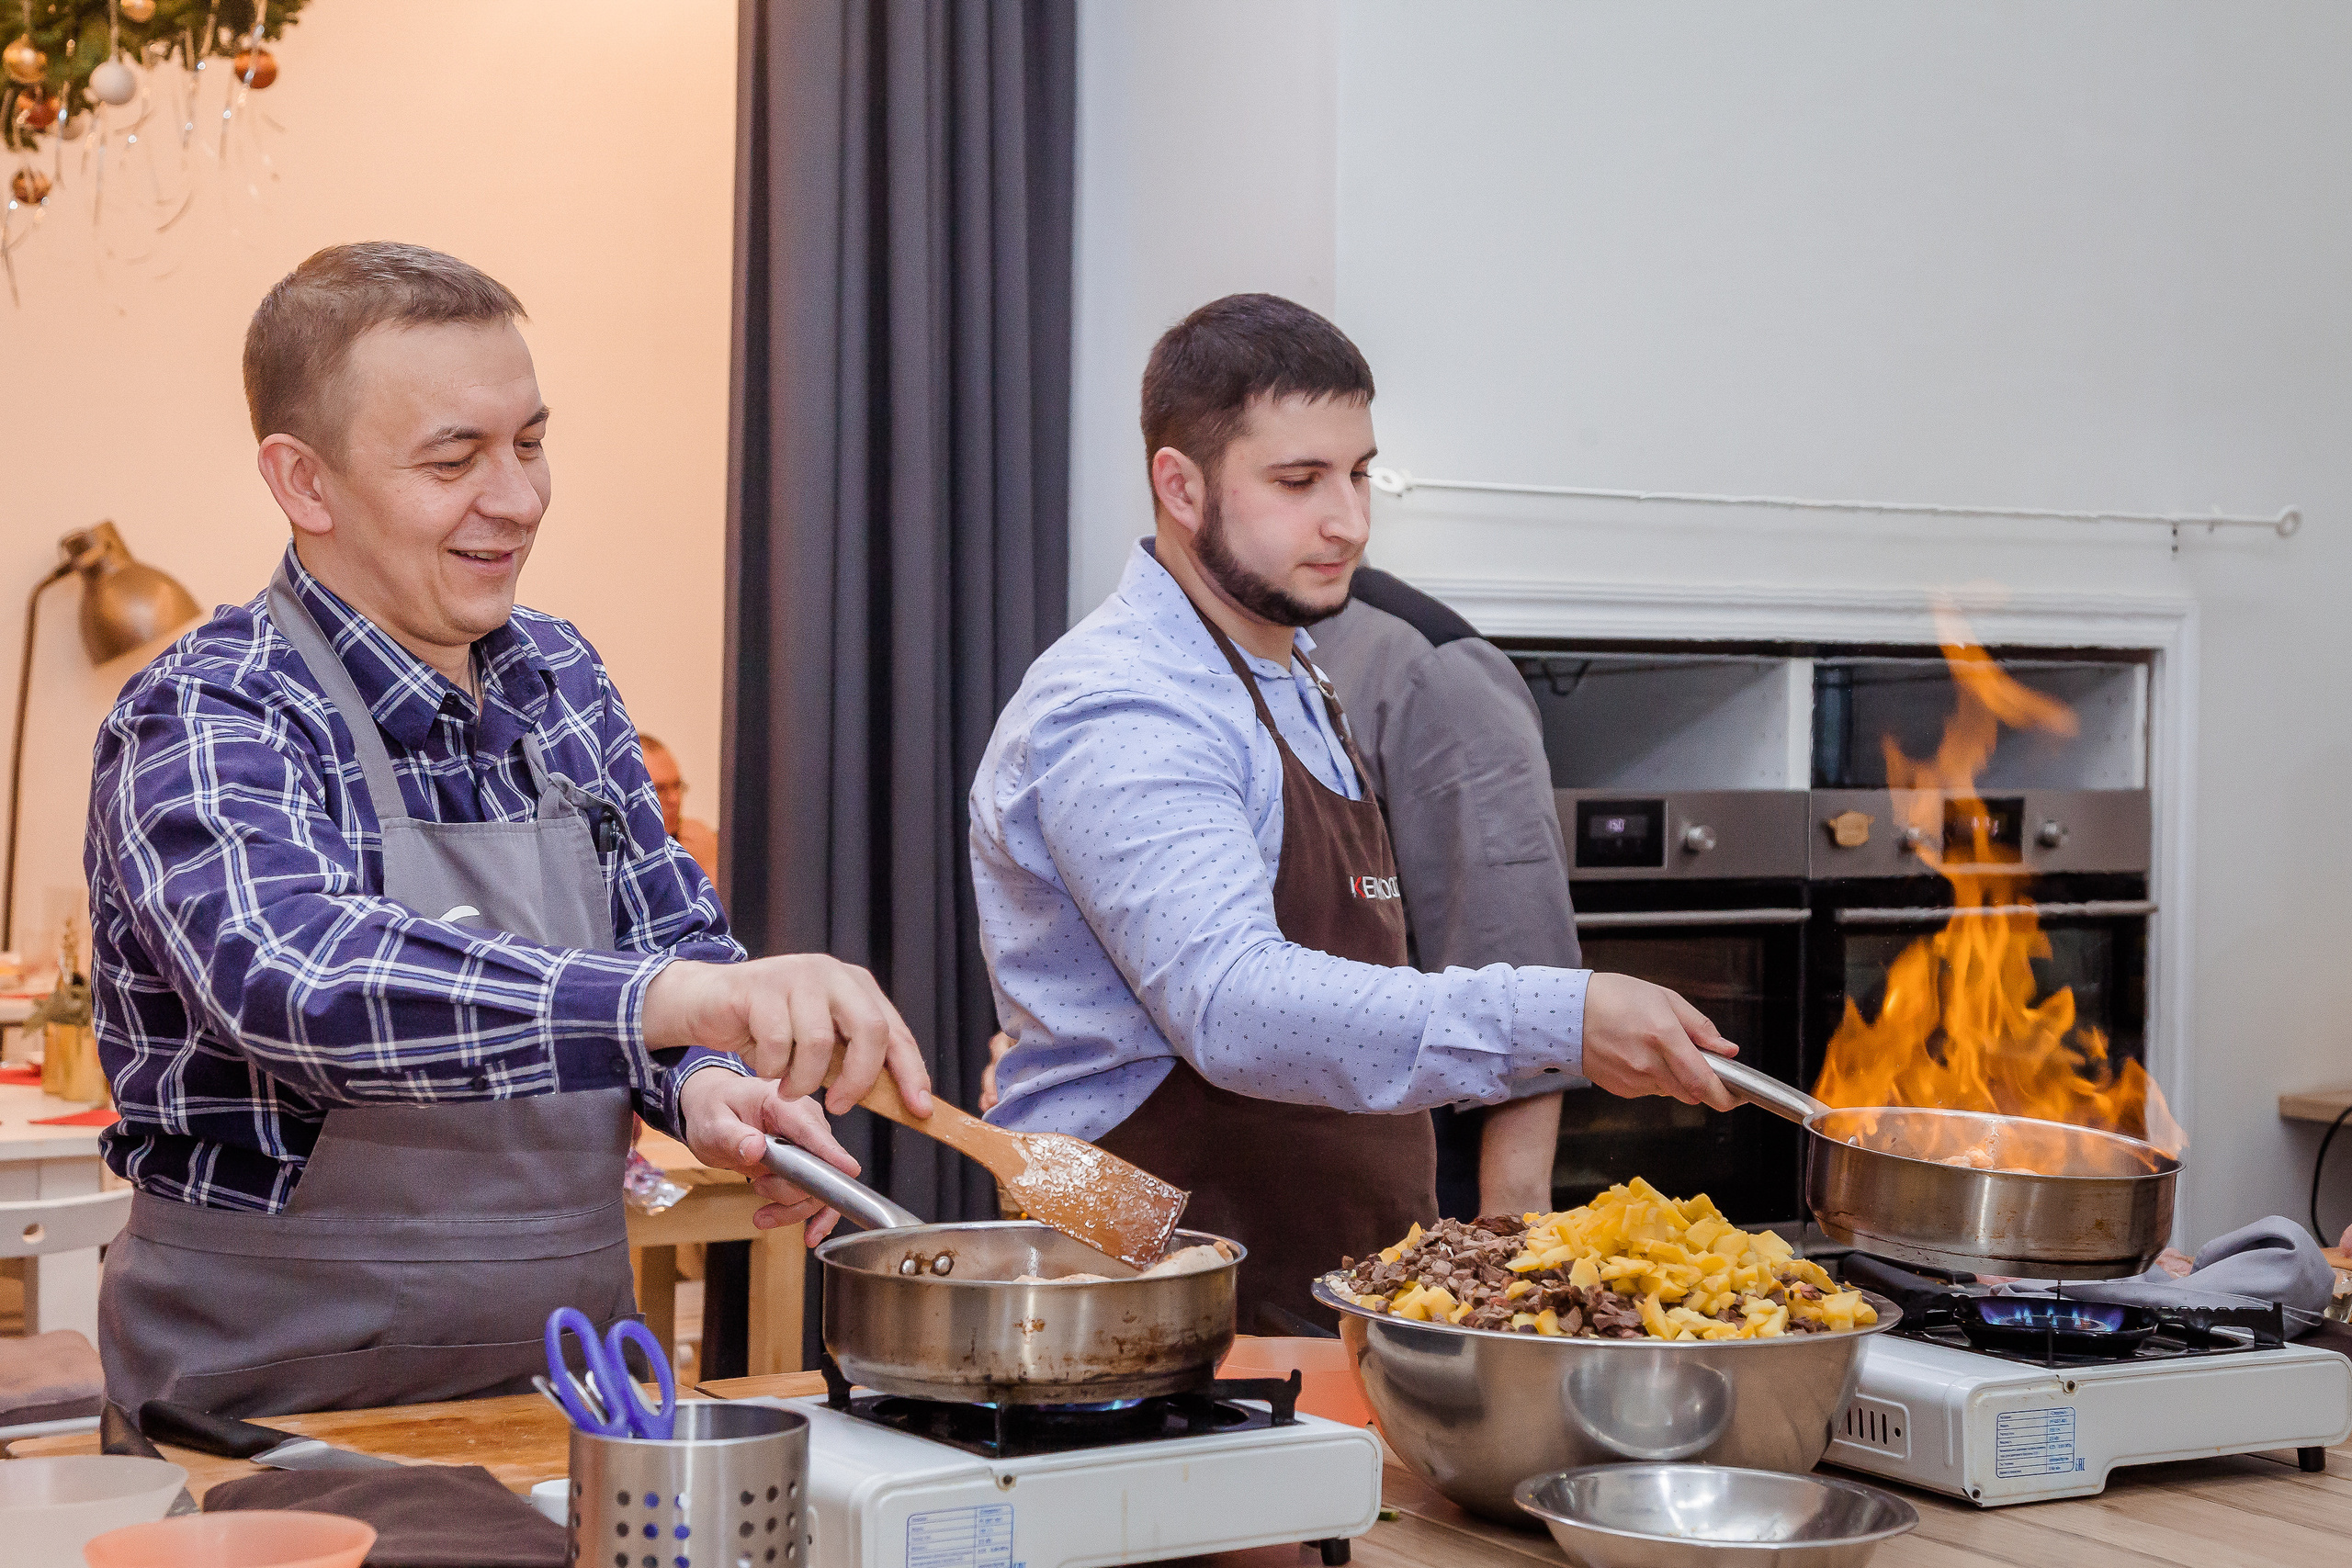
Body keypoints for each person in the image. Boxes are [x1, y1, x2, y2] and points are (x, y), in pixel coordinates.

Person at [85, 243, 929, 1417]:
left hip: (574, 1384)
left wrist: (706, 1082)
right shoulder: (211, 704)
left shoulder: (560, 678)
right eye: (454, 460)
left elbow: (666, 935)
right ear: (303, 482)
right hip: (264, 1406)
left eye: (530, 442)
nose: (520, 499)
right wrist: (671, 1004)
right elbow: (296, 979)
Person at [970, 293, 1739, 1332]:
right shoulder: (1128, 702)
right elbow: (1232, 1006)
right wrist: (1558, 1014)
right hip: (1143, 1296)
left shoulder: (1295, 670)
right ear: (1179, 486)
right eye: (1298, 482)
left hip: (1326, 1275)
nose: (1350, 521)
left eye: (1359, 472)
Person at [1310, 568, 1580, 1221]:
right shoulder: (1167, 654)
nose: (1345, 519)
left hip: (1408, 1190)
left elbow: (1518, 953)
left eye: (1355, 477)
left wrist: (1510, 1235)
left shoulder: (1435, 670)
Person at [639, 732, 720, 880]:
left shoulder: (697, 840)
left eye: (677, 786)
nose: (674, 799)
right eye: (660, 790)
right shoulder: (610, 853)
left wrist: (709, 865)